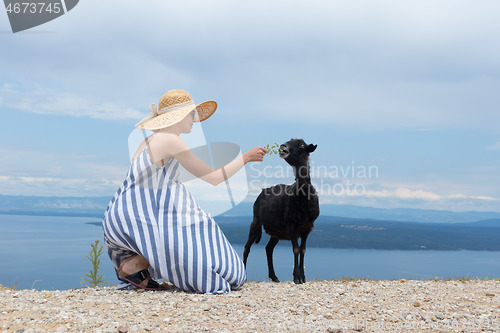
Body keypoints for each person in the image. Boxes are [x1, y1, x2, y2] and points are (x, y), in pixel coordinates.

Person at [102, 89, 266, 294]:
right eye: (191, 114)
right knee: (233, 273)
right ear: (178, 116)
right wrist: (246, 158)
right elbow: (213, 178)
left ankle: (135, 265)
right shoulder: (171, 140)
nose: (194, 119)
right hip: (142, 217)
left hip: (122, 214)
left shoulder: (148, 140)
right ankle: (136, 266)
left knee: (188, 230)